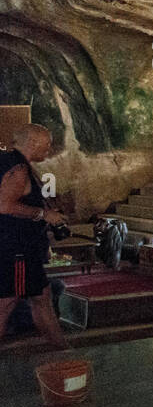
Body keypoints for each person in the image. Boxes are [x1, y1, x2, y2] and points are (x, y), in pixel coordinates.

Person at [0, 123, 69, 348]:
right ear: (31, 143)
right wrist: (43, 214)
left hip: (22, 248)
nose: (49, 148)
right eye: (46, 143)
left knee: (42, 298)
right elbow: (5, 206)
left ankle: (62, 351)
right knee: (7, 303)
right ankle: (62, 350)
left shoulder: (12, 163)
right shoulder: (18, 169)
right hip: (16, 250)